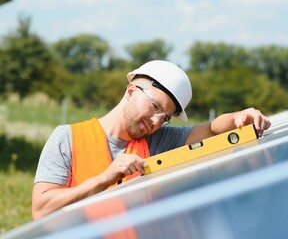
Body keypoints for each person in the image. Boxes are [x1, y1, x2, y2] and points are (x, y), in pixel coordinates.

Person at [32, 60, 271, 219]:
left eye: (165, 117)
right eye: (155, 106)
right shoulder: (67, 138)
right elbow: (41, 210)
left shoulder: (159, 141)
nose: (157, 121)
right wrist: (105, 178)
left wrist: (238, 117)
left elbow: (211, 130)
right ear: (131, 91)